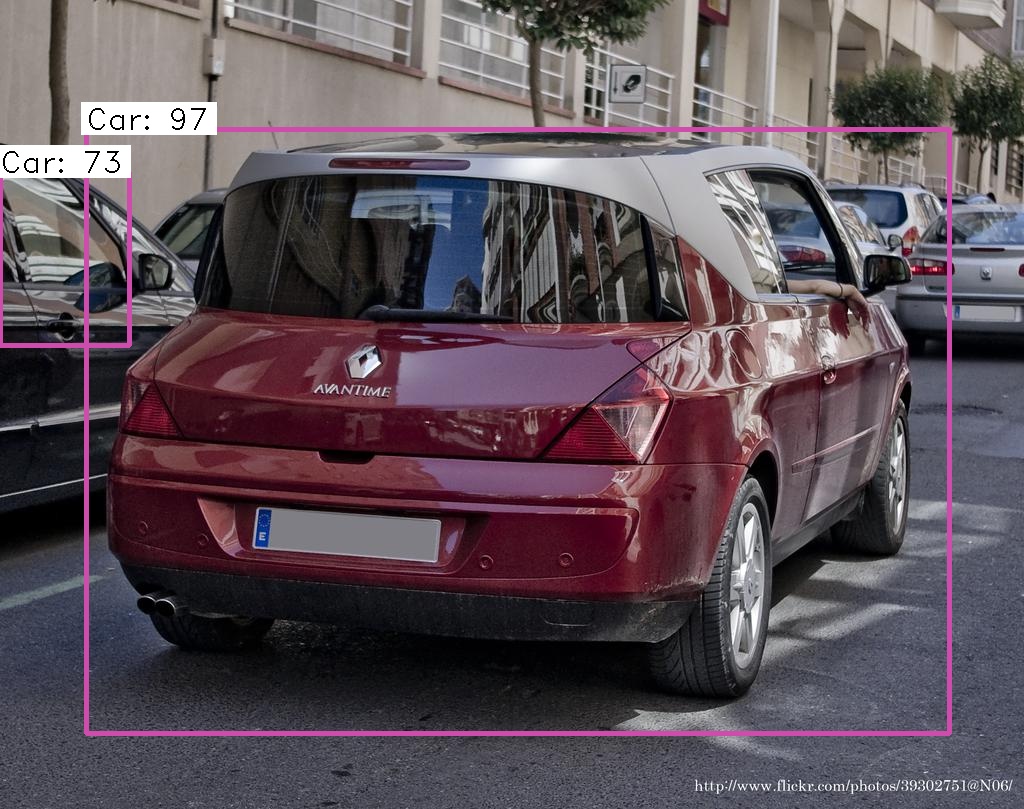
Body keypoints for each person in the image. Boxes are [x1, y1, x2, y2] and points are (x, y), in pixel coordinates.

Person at [788, 278, 869, 321]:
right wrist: (851, 291)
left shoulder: (780, 286)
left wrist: (851, 290)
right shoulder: (780, 285)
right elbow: (816, 287)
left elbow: (816, 287)